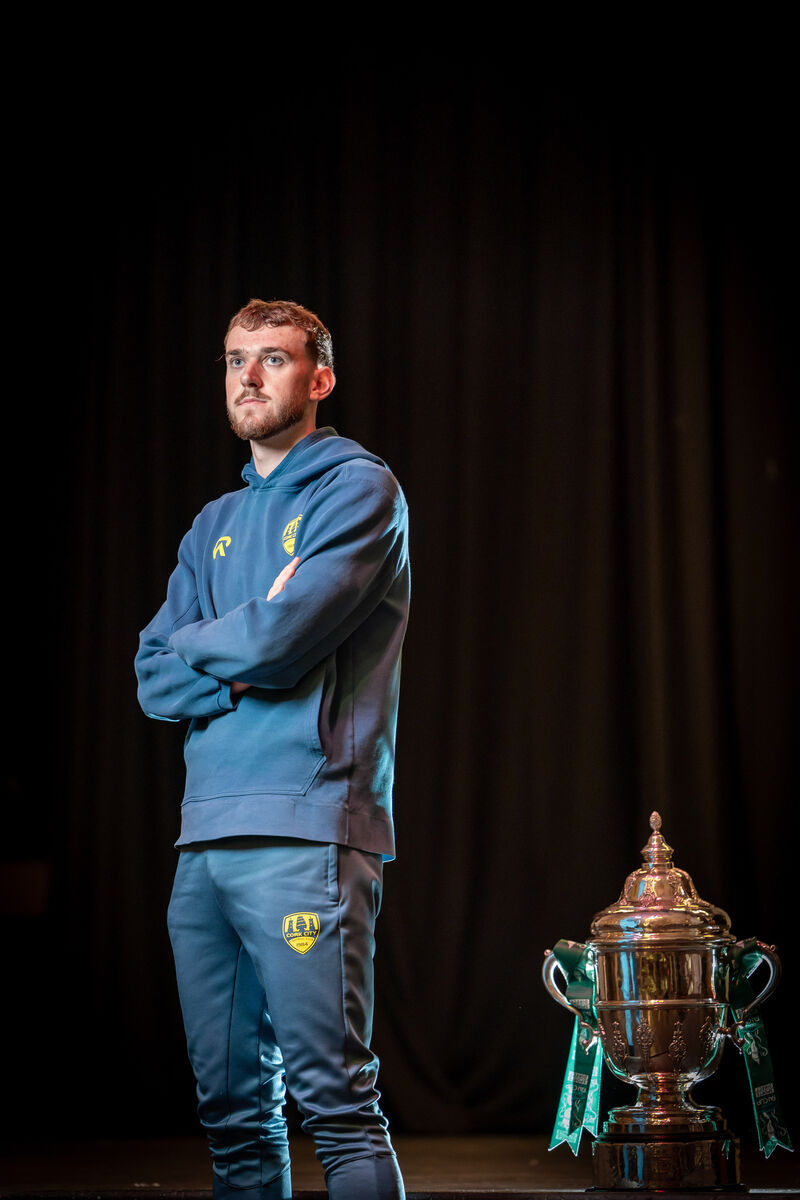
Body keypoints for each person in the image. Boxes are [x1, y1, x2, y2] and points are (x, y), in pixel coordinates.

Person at [135, 299, 410, 1200]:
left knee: (336, 1109)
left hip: (307, 827)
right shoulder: (209, 524)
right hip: (203, 842)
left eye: (273, 359)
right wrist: (245, 653)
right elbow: (151, 677)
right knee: (233, 1121)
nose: (247, 377)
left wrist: (226, 645)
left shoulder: (359, 490)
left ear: (319, 379)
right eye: (233, 359)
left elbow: (278, 643)